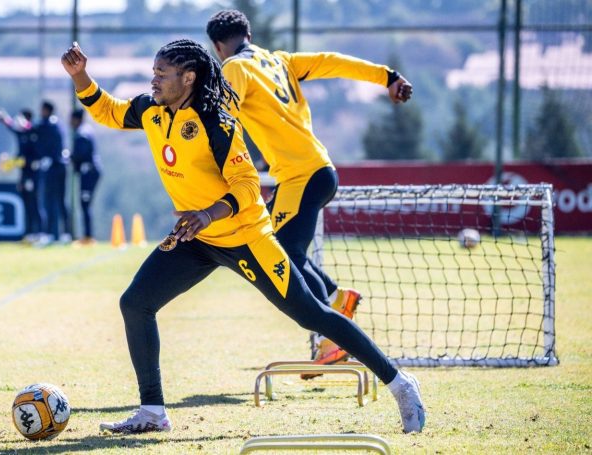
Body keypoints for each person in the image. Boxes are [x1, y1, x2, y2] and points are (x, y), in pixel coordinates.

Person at [61, 38, 425, 434]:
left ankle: (400, 384)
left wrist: (206, 213)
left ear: (188, 77)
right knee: (135, 303)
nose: (153, 80)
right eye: (153, 73)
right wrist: (81, 76)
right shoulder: (150, 110)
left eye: (161, 74)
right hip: (198, 239)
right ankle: (152, 412)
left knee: (313, 315)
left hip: (247, 236)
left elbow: (248, 186)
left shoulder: (217, 122)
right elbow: (108, 112)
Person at [206, 9, 414, 375]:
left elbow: (223, 121)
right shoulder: (280, 61)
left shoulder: (233, 69)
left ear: (218, 46)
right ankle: (336, 299)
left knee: (281, 253)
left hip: (299, 176)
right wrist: (388, 77)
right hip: (319, 169)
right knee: (280, 249)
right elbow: (333, 62)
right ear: (248, 34)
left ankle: (333, 326)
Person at [0, 108, 42, 242]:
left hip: (33, 175)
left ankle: (39, 233)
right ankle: (28, 233)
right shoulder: (21, 134)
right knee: (26, 204)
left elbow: (31, 159)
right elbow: (12, 126)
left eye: (22, 118)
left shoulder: (34, 134)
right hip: (24, 175)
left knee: (35, 204)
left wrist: (10, 163)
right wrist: (4, 119)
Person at [33, 100, 70, 246]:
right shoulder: (57, 124)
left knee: (50, 201)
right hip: (60, 166)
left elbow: (33, 130)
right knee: (61, 201)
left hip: (53, 167)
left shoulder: (47, 124)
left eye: (42, 110)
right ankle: (65, 234)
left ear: (47, 110)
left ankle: (49, 234)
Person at [69, 108, 101, 245]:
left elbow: (80, 154)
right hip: (90, 171)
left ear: (77, 119)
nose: (70, 122)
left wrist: (69, 156)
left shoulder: (82, 133)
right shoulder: (87, 130)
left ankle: (88, 237)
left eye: (71, 119)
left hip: (88, 172)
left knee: (85, 204)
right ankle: (87, 236)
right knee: (85, 204)